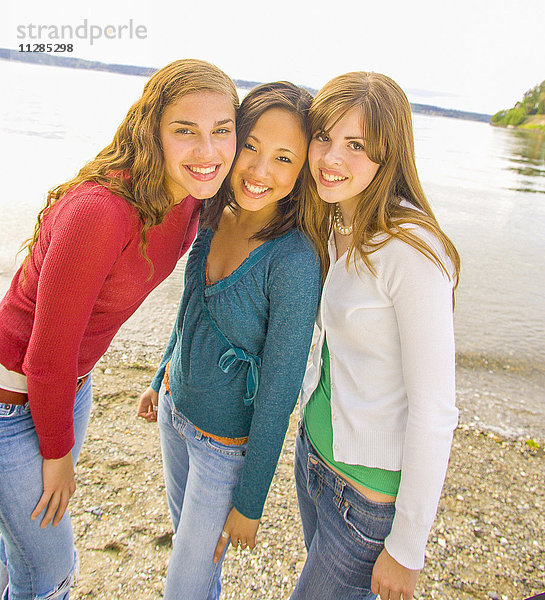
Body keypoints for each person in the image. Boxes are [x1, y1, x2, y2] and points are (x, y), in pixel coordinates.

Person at [0, 58, 239, 600]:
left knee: (12, 555)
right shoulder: (101, 212)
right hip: (14, 402)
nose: (208, 150)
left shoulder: (188, 197)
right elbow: (45, 357)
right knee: (49, 574)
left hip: (66, 390)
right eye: (186, 131)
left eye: (222, 131)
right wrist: (58, 458)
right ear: (152, 129)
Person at [137, 81, 322, 600]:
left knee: (184, 585)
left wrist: (252, 501)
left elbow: (280, 389)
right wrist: (160, 376)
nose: (260, 170)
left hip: (225, 448)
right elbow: (190, 308)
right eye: (251, 146)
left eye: (284, 158)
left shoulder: (294, 262)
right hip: (174, 414)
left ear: (303, 169)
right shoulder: (215, 209)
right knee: (188, 553)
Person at [291, 71, 461, 600]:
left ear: (389, 157)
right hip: (315, 458)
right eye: (324, 137)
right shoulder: (341, 224)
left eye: (356, 145)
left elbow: (436, 409)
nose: (330, 158)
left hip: (365, 497)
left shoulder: (411, 251)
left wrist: (408, 548)